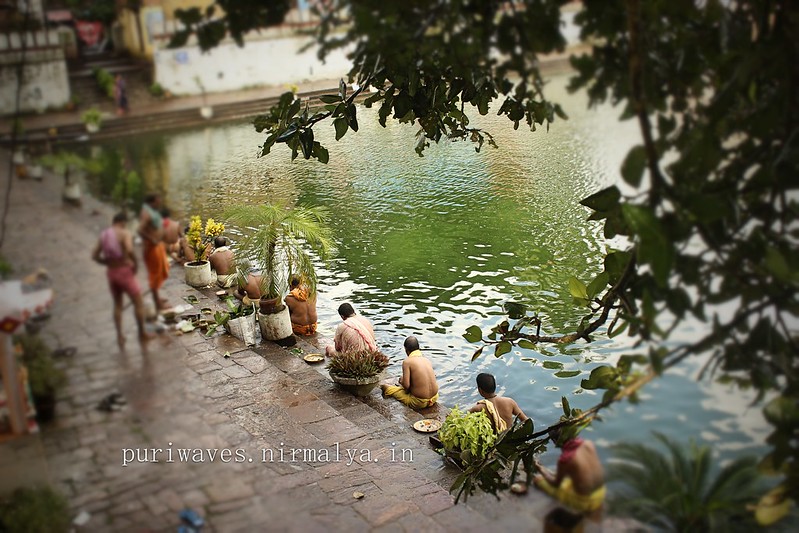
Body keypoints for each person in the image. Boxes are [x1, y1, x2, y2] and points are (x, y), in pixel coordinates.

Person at [92, 212, 152, 348]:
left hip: (111, 273)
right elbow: (130, 250)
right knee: (138, 302)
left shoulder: (104, 235)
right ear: (122, 222)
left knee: (117, 304)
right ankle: (142, 334)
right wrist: (135, 263)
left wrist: (107, 263)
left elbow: (95, 255)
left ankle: (120, 336)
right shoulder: (124, 233)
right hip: (124, 271)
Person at [533, 427, 606, 514]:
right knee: (567, 476)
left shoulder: (566, 459)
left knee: (537, 479)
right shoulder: (588, 444)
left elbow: (555, 484)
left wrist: (540, 468)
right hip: (601, 494)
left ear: (555, 441)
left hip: (585, 502)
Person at [380, 336, 439, 409]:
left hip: (419, 402)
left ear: (406, 350)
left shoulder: (407, 362)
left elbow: (406, 387)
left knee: (385, 387)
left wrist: (402, 382)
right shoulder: (426, 360)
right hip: (434, 398)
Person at [138, 194, 170, 311]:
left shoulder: (151, 211)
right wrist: (152, 239)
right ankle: (157, 303)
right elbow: (140, 229)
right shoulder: (146, 213)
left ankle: (157, 297)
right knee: (155, 274)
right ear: (152, 202)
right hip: (152, 247)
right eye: (157, 201)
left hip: (158, 245)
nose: (159, 203)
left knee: (162, 270)